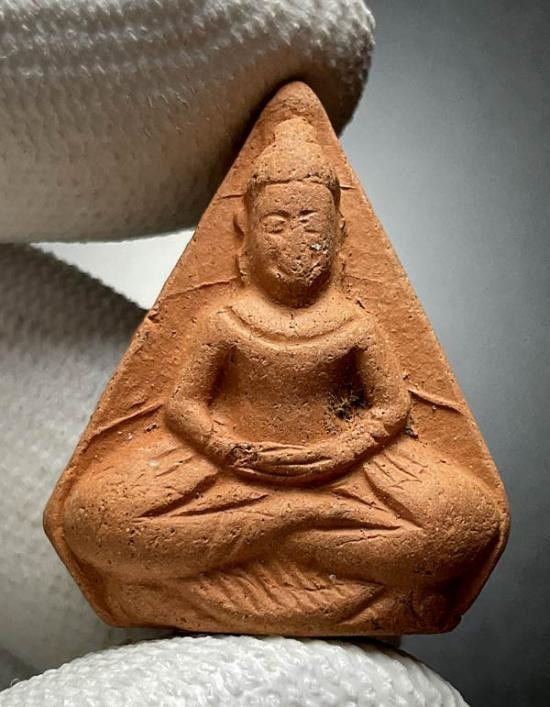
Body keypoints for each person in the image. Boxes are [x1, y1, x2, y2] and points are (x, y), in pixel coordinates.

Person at [61, 118, 504, 636]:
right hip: (227, 472)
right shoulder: (225, 321)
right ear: (245, 233)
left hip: (344, 475)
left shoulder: (356, 324)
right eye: (276, 224)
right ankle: (309, 543)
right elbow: (183, 406)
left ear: (339, 234)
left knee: (468, 524)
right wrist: (229, 449)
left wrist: (343, 452)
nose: (295, 239)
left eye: (310, 224)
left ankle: (198, 571)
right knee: (91, 517)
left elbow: (391, 407)